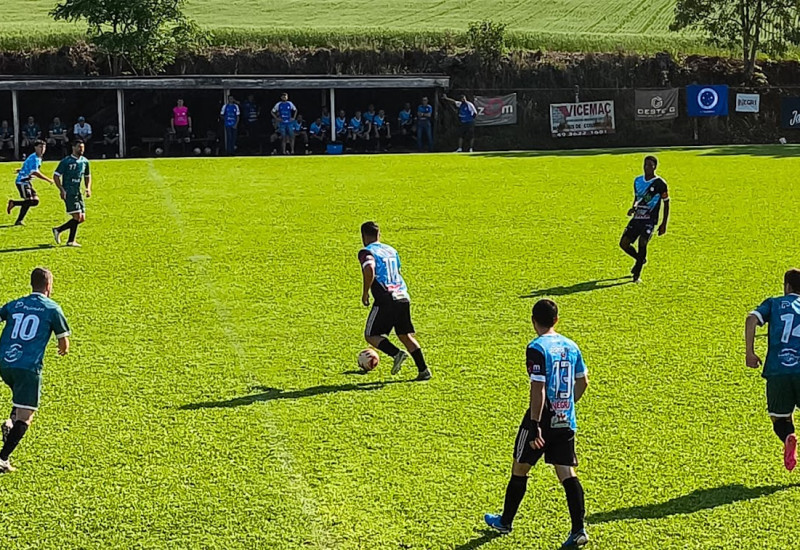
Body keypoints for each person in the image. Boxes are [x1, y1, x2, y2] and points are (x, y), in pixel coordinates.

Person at [484, 299, 589, 548]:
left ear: (533, 321)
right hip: (565, 417)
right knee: (566, 472)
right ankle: (578, 530)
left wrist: (535, 423)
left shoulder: (536, 347)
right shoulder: (571, 345)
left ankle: (505, 522)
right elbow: (583, 381)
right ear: (557, 320)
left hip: (541, 418)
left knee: (520, 468)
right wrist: (567, 405)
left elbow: (538, 387)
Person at [0, 267, 70, 474]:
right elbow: (64, 343)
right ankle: (2, 458)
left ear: (32, 284)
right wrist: (62, 348)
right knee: (26, 416)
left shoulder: (16, 304)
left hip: (4, 363)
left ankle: (10, 421)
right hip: (28, 366)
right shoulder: (52, 308)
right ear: (49, 286)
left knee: (18, 394)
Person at [358, 221, 431, 381]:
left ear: (363, 236)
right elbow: (397, 271)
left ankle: (396, 354)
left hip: (386, 297)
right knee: (405, 335)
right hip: (403, 296)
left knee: (371, 335)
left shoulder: (366, 251)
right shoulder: (391, 250)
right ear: (379, 234)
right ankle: (424, 370)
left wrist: (365, 293)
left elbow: (369, 268)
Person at [745, 268, 800, 471]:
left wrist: (750, 353)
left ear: (787, 286)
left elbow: (751, 319)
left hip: (778, 370)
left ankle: (788, 436)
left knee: (780, 418)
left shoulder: (774, 303)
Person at [619, 156, 670, 283]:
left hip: (650, 220)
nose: (647, 167)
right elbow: (637, 198)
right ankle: (640, 259)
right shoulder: (637, 181)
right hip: (637, 218)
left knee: (643, 242)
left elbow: (666, 203)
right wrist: (633, 208)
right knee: (624, 244)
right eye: (645, 165)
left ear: (655, 167)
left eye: (650, 165)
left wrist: (664, 223)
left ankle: (636, 275)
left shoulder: (660, 184)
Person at [52, 140, 91, 248]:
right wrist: (62, 189)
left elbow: (87, 176)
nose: (81, 149)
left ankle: (58, 230)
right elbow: (56, 176)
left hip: (78, 192)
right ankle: (70, 241)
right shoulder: (66, 161)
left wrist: (88, 188)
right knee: (77, 216)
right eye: (79, 147)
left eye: (82, 147)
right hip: (69, 192)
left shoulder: (85, 162)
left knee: (82, 218)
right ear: (73, 147)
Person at [6, 140, 53, 226]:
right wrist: (48, 179)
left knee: (34, 201)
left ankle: (16, 212)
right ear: (35, 148)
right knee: (30, 201)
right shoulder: (34, 158)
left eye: (44, 147)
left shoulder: (38, 157)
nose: (42, 149)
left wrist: (21, 170)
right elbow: (35, 172)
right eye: (40, 147)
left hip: (26, 182)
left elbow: (28, 166)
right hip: (22, 182)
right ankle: (15, 210)